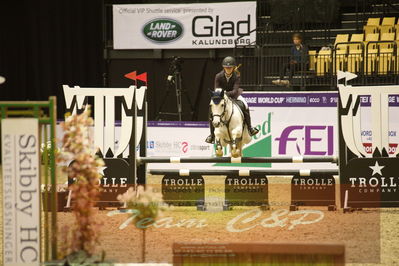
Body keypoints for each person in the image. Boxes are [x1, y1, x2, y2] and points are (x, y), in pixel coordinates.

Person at [205, 56, 259, 144]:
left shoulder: (236, 76)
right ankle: (212, 135)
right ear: (224, 67)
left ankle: (250, 128)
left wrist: (225, 94)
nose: (228, 69)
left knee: (245, 104)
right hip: (220, 96)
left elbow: (234, 91)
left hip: (234, 95)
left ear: (233, 67)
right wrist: (221, 95)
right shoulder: (218, 76)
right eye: (226, 68)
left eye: (230, 68)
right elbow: (216, 89)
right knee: (212, 107)